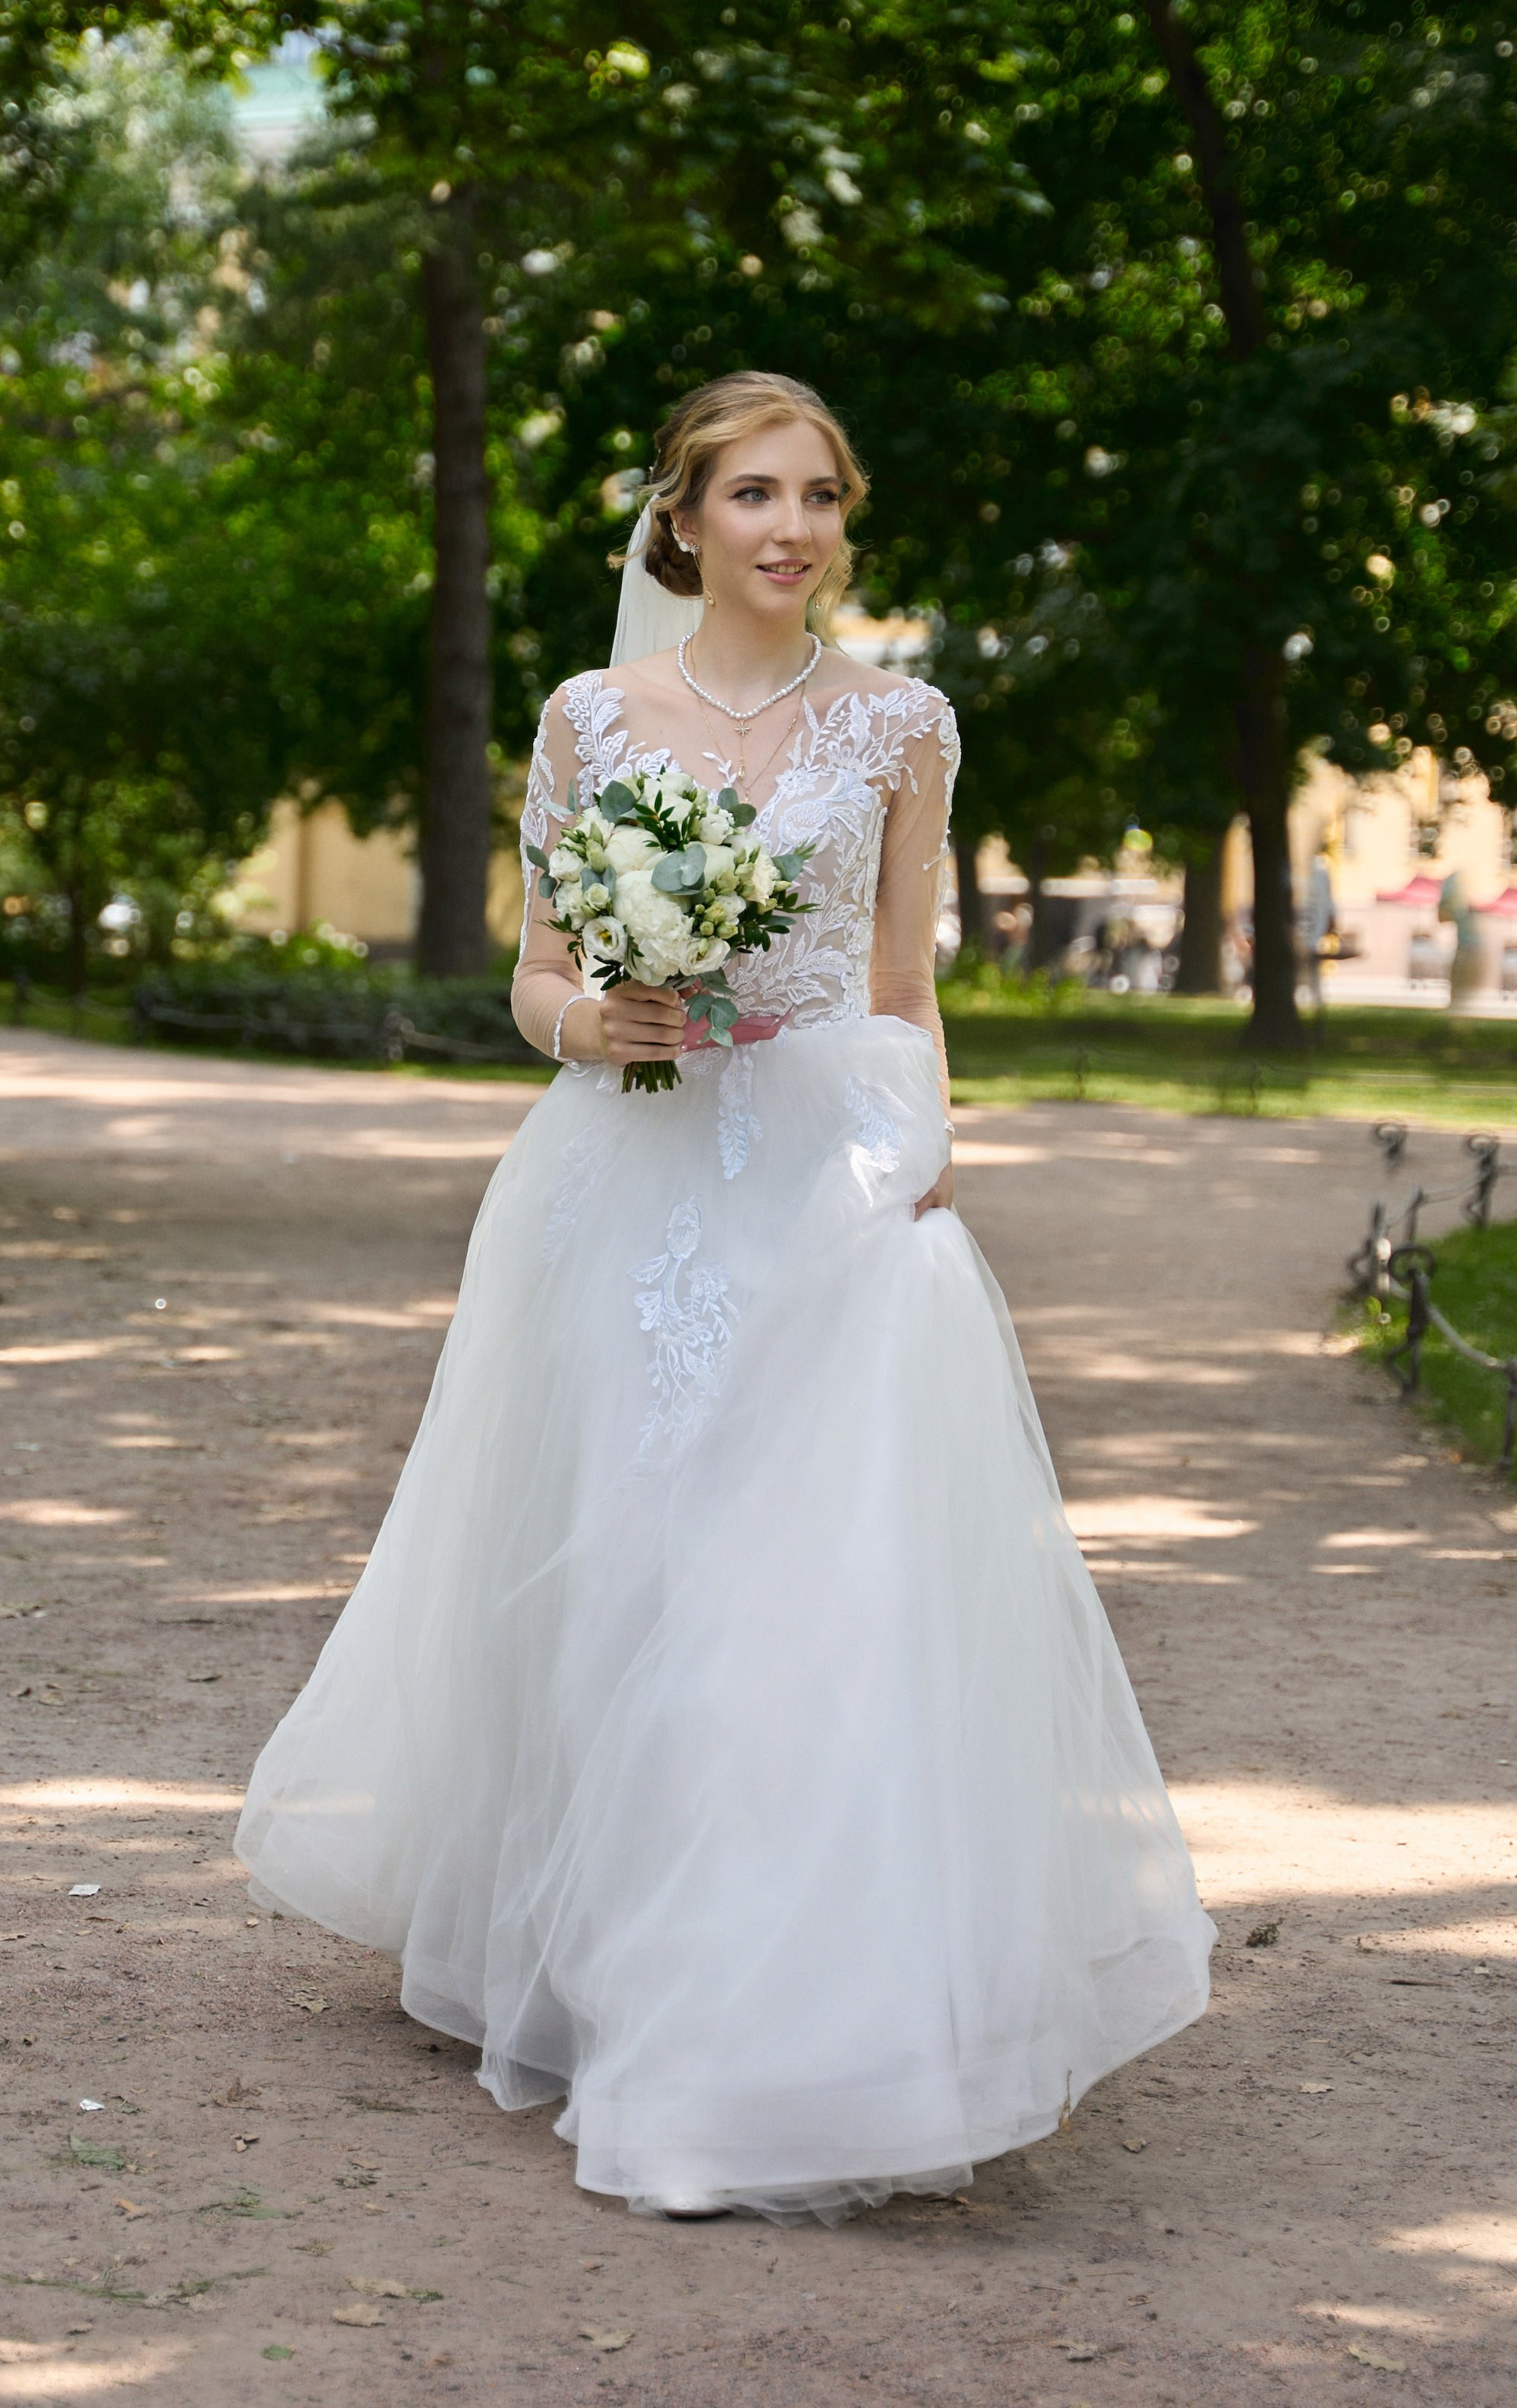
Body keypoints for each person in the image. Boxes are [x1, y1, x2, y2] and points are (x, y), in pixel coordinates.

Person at [235, 371, 1214, 2226]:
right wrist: (590, 1019)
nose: (794, 528)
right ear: (678, 521)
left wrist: (927, 1148)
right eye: (755, 493)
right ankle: (618, 1953)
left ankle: (798, 2012)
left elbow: (907, 975)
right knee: (635, 1565)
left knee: (817, 1586)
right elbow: (532, 968)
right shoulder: (595, 717)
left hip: (833, 1179)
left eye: (823, 496)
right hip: (637, 1177)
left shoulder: (904, 725)